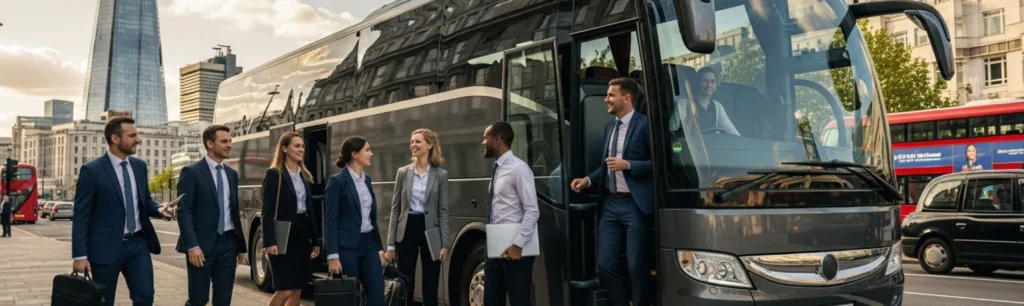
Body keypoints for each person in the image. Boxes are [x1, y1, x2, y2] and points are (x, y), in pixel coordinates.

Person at [71, 117, 174, 306]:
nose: (138, 139)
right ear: (115, 139)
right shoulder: (91, 171)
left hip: (138, 245)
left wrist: (159, 209)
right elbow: (81, 215)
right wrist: (80, 256)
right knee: (103, 301)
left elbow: (145, 200)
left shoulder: (139, 166)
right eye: (132, 135)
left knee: (145, 297)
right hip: (104, 248)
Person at [570, 78, 654, 306]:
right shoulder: (609, 127)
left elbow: (657, 165)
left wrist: (629, 165)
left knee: (636, 265)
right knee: (605, 264)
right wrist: (588, 180)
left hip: (635, 205)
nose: (606, 99)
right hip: (610, 206)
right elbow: (607, 165)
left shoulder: (645, 125)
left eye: (610, 95)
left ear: (626, 98)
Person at [176, 125, 247, 306]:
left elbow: (233, 210)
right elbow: (184, 212)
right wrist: (192, 246)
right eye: (224, 141)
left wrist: (239, 246)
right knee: (198, 299)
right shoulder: (191, 172)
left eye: (230, 141)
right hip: (201, 245)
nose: (229, 145)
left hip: (228, 243)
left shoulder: (231, 174)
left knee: (223, 300)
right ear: (209, 144)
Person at [385, 128, 451, 306]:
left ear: (429, 145)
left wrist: (445, 244)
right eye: (412, 141)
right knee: (406, 280)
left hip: (431, 230)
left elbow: (443, 211)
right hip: (407, 229)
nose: (413, 145)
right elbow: (395, 209)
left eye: (418, 141)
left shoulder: (441, 175)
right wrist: (390, 244)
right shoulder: (403, 173)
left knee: (431, 282)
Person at [481, 121, 539, 306]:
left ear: (497, 139)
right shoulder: (497, 169)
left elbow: (532, 210)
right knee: (491, 300)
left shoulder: (518, 169)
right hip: (494, 245)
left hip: (516, 249)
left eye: (485, 138)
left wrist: (518, 244)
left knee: (519, 301)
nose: (483, 142)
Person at [261, 132, 321, 306]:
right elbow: (267, 211)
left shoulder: (304, 176)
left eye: (302, 146)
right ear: (284, 148)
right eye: (296, 146)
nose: (301, 149)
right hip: (283, 236)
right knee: (285, 288)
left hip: (302, 236)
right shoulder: (274, 174)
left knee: (297, 288)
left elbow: (309, 212)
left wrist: (315, 241)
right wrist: (269, 241)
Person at [325, 136, 385, 306]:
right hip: (347, 247)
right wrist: (333, 256)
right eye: (367, 150)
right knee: (349, 298)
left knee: (377, 296)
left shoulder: (367, 180)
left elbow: (371, 218)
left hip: (369, 245)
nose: (371, 154)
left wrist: (379, 249)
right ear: (354, 154)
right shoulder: (337, 182)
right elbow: (331, 220)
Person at [668, 66, 739, 136]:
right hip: (692, 147)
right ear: (697, 83)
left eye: (712, 81)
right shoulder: (681, 105)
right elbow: (672, 133)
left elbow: (731, 131)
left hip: (714, 146)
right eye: (705, 81)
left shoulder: (717, 106)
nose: (709, 85)